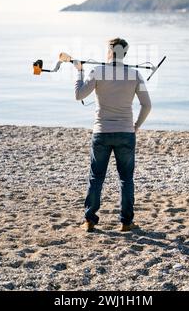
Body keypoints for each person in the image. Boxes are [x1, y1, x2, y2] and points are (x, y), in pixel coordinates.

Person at [74, 38, 152, 232]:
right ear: (124, 53)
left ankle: (89, 220)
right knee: (126, 179)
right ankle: (126, 222)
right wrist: (136, 126)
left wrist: (79, 71)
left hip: (101, 132)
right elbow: (147, 105)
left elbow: (79, 95)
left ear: (109, 52)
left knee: (96, 178)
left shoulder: (97, 72)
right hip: (126, 132)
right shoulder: (136, 75)